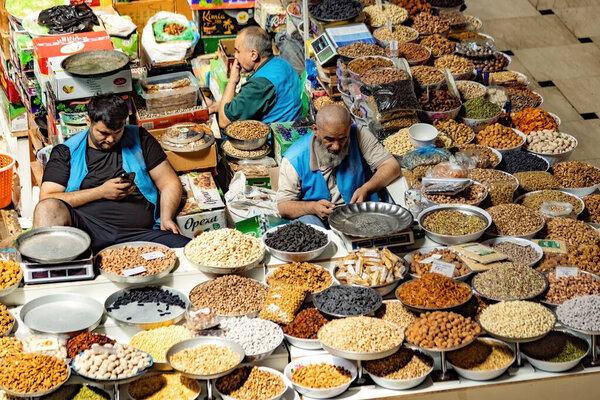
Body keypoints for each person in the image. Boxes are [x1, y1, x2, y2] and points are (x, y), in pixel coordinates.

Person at [34, 94, 190, 252]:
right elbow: (47, 199)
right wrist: (100, 192)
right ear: (89, 121)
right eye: (103, 133)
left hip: (140, 234)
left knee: (189, 250)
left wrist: (166, 217)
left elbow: (169, 182)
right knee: (47, 209)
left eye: (117, 132)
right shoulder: (66, 152)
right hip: (86, 234)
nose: (110, 139)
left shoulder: (140, 138)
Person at [277, 104, 402, 227]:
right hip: (318, 219)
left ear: (349, 127)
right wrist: (312, 208)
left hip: (357, 212)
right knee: (310, 226)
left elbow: (391, 166)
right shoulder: (294, 158)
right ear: (316, 130)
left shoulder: (358, 134)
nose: (336, 146)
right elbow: (283, 206)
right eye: (329, 139)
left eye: (342, 139)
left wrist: (367, 188)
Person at [206, 26, 302, 127]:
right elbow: (247, 102)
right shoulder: (282, 63)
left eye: (238, 51)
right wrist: (215, 106)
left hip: (273, 138)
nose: (235, 56)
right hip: (293, 126)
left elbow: (224, 121)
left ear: (253, 55)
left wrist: (232, 81)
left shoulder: (259, 85)